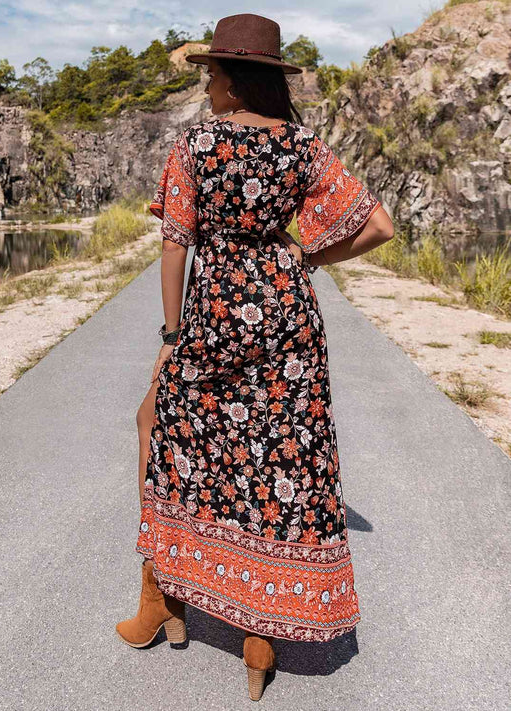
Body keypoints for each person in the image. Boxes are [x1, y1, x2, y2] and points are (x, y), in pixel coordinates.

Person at [116, 13, 394, 701]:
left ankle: (162, 599)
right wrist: (304, 255)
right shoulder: (302, 145)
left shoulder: (195, 144)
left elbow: (175, 243)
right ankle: (258, 640)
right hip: (287, 316)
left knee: (160, 426)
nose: (207, 88)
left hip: (214, 315)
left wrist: (171, 336)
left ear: (235, 82)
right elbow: (379, 226)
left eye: (211, 76)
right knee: (273, 456)